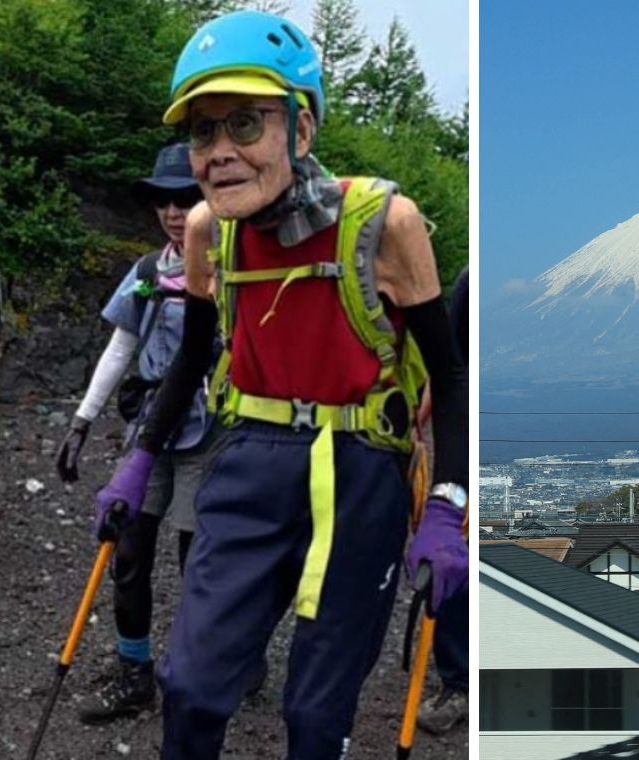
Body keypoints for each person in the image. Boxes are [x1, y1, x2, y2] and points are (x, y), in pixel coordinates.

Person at [93, 10, 469, 759]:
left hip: (361, 469)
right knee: (191, 686)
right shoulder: (209, 231)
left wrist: (447, 507)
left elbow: (450, 378)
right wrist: (140, 458)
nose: (219, 152)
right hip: (250, 459)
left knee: (316, 717)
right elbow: (192, 360)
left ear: (300, 130)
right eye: (202, 131)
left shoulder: (386, 225)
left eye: (244, 123)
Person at [54, 143, 212, 724]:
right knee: (129, 549)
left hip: (210, 432)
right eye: (164, 201)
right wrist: (82, 420)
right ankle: (135, 669)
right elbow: (120, 347)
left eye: (186, 198)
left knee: (199, 561)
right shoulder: (148, 272)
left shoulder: (231, 270)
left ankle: (208, 667)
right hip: (149, 429)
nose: (174, 212)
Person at [418, 266, 469, 735]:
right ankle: (457, 681)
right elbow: (447, 366)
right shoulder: (471, 281)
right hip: (466, 437)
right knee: (454, 553)